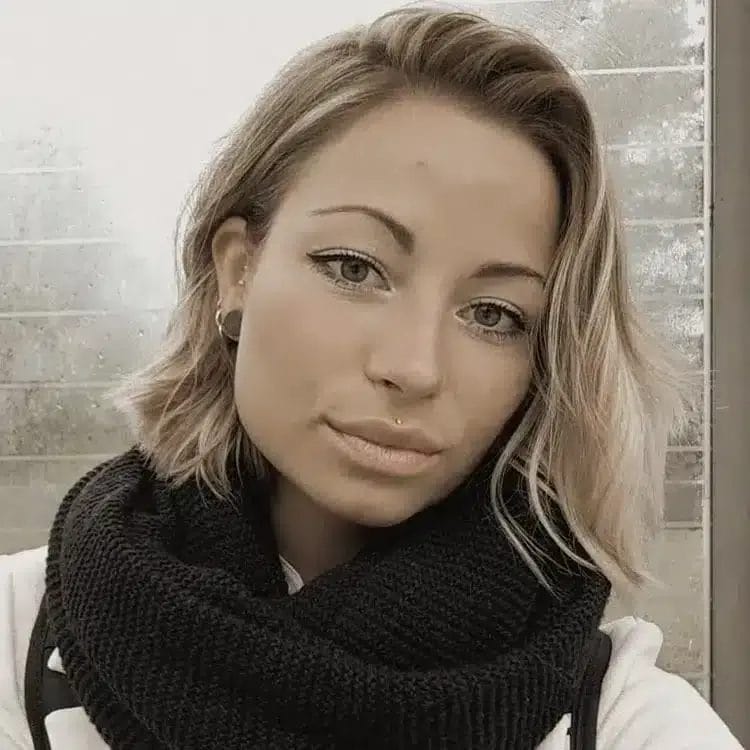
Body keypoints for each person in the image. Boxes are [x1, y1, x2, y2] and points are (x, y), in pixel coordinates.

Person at [0, 4, 743, 749]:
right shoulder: (15, 635)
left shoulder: (619, 719)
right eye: (354, 269)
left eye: (493, 314)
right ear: (237, 270)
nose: (413, 368)